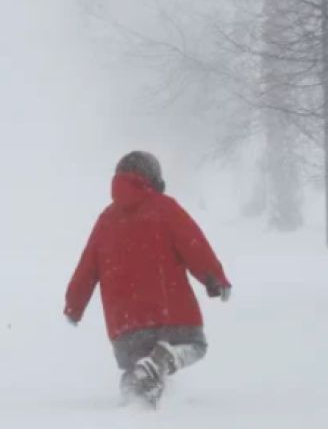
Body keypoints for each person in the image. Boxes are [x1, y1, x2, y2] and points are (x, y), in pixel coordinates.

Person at [63, 151, 232, 406]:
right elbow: (194, 245)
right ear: (153, 178)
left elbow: (85, 269)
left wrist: (74, 307)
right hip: (170, 315)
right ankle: (166, 359)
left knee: (140, 366)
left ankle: (138, 398)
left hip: (125, 328)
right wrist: (215, 278)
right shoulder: (165, 208)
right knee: (195, 346)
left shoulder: (106, 220)